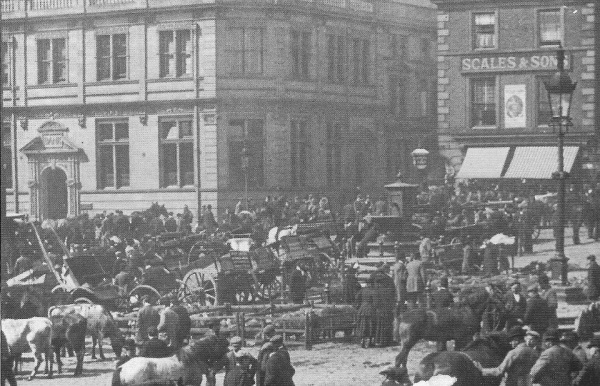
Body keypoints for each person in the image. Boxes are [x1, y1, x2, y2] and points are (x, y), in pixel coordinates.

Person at [474, 326, 539, 386]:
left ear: (517, 339)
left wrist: (482, 370)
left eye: (511, 340)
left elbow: (499, 371)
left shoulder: (514, 353)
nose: (510, 343)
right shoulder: (535, 353)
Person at [355, 277, 376, 348]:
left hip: (362, 309)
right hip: (370, 309)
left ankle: (362, 341)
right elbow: (375, 301)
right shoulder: (373, 291)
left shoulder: (362, 290)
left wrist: (359, 304)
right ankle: (369, 342)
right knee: (370, 325)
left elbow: (357, 297)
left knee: (362, 324)